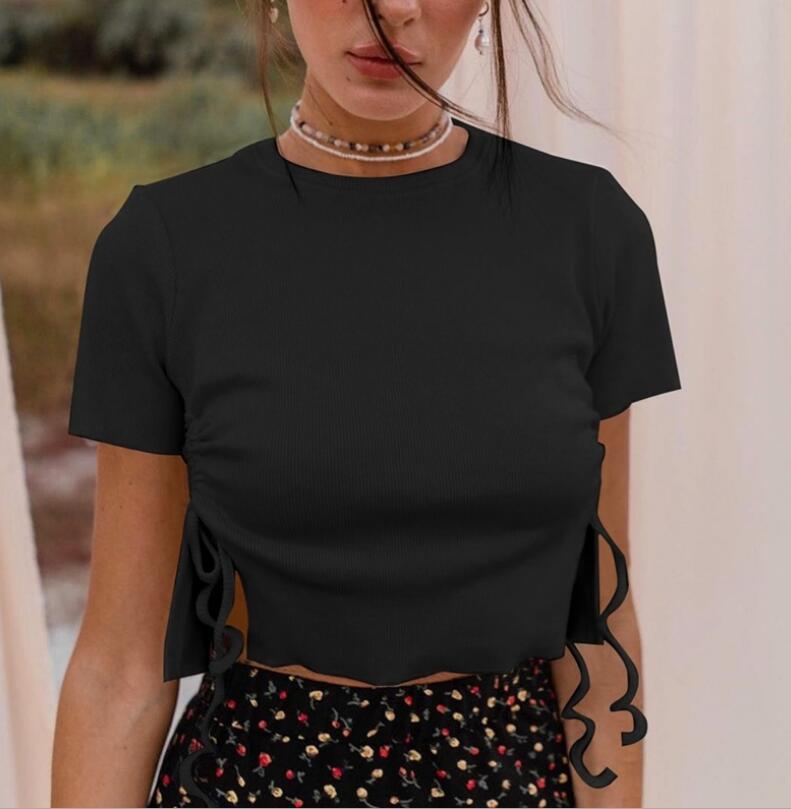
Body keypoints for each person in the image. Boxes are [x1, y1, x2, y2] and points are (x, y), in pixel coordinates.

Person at [51, 1, 681, 807]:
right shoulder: (162, 249)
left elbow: (600, 634)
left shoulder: (591, 233)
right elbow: (120, 665)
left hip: (512, 783)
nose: (394, 9)